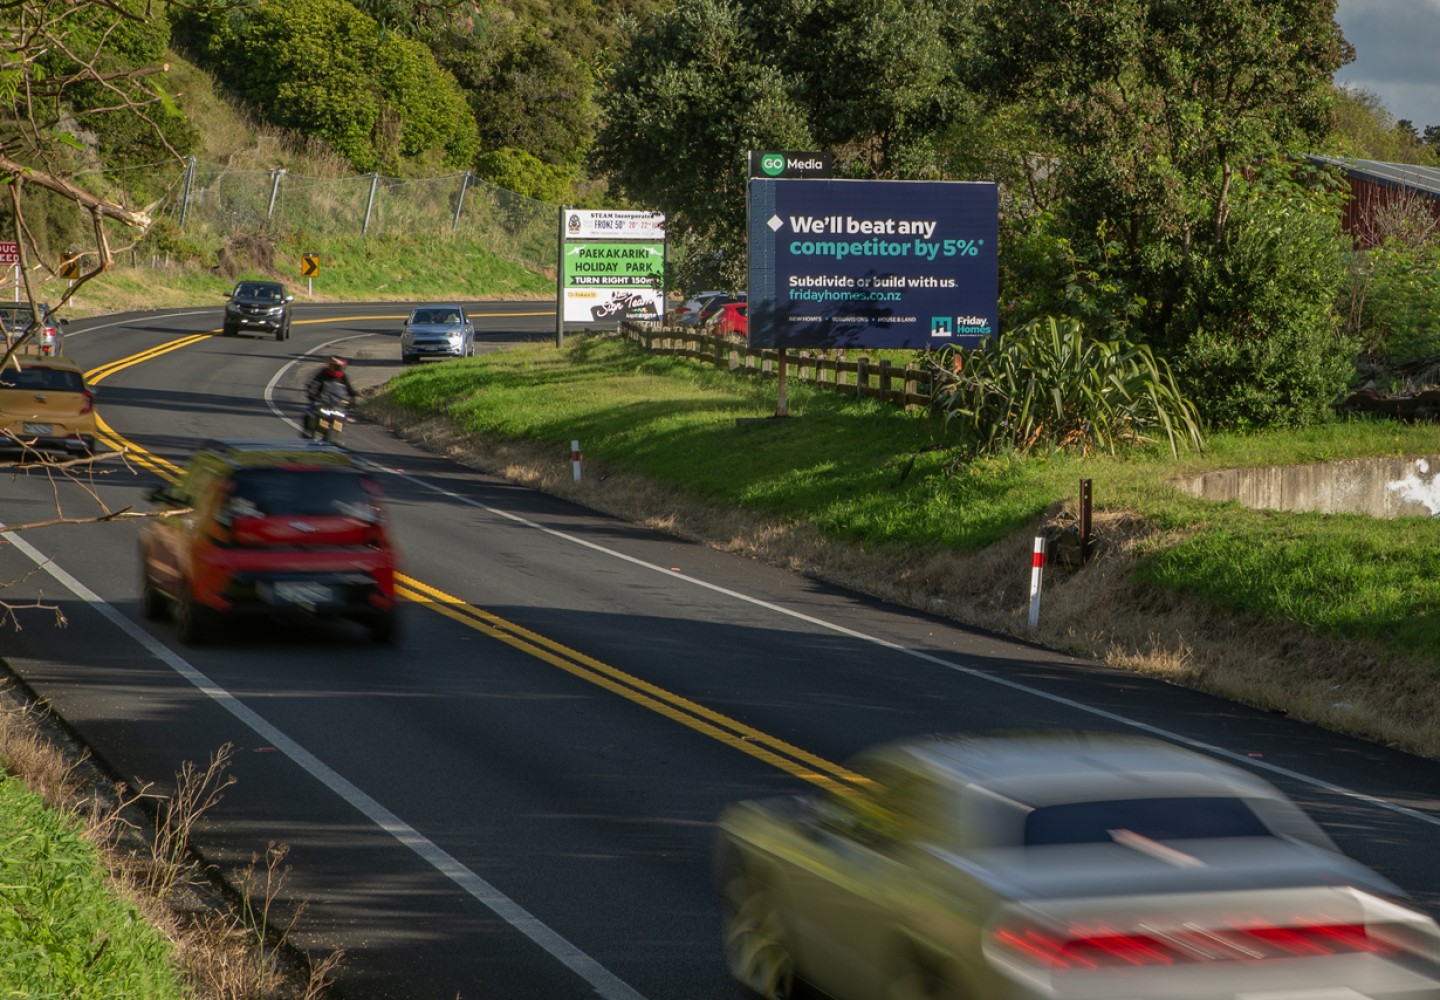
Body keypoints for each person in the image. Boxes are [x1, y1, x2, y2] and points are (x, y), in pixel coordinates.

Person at [304, 356, 356, 437]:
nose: (336, 368)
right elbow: (314, 383)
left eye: (338, 366)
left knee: (342, 416)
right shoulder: (323, 373)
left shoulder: (343, 376)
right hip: (321, 401)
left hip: (336, 404)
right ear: (329, 365)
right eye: (334, 366)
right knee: (309, 411)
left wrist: (355, 397)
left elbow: (350, 390)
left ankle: (338, 436)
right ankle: (307, 430)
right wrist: (312, 393)